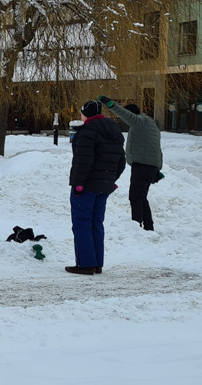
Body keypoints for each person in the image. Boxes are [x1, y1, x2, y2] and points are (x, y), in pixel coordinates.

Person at [66, 100, 126, 275]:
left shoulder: (87, 132)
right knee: (96, 223)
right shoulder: (114, 131)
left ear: (86, 113)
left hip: (86, 187)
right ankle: (97, 262)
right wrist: (110, 179)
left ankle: (86, 264)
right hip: (104, 186)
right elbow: (121, 161)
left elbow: (82, 163)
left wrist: (78, 184)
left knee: (82, 223)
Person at [99, 96, 163, 231]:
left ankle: (136, 227)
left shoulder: (139, 121)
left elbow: (125, 114)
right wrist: (157, 168)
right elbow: (157, 147)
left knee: (135, 197)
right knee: (141, 197)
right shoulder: (150, 124)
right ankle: (148, 226)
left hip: (142, 165)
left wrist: (110, 104)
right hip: (149, 165)